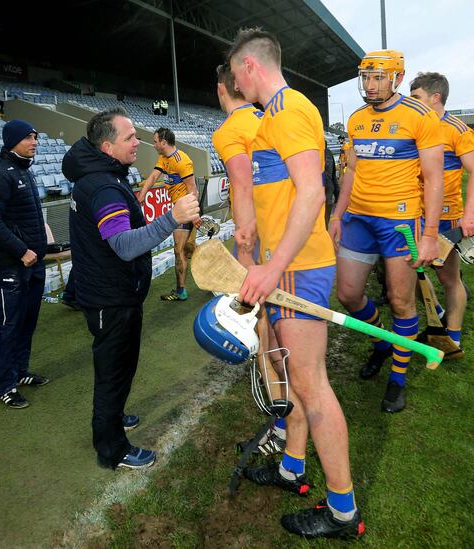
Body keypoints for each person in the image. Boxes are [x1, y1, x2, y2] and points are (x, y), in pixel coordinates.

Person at [228, 27, 365, 539]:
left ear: (249, 68)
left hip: (298, 268)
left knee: (311, 387)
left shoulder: (287, 112)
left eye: (235, 72)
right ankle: (292, 469)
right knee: (295, 378)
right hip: (290, 264)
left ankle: (342, 511)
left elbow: (311, 193)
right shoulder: (276, 115)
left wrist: (270, 266)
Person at [63, 107, 200, 469]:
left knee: (116, 371)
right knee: (114, 373)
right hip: (111, 297)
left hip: (107, 292)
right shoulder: (104, 186)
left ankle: (113, 416)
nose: (137, 142)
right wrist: (173, 219)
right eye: (129, 137)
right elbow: (124, 245)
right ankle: (112, 449)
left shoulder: (101, 174)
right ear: (107, 147)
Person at [329, 50, 443, 413]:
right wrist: (337, 214)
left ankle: (397, 378)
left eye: (378, 77)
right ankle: (381, 340)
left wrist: (429, 235)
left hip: (400, 222)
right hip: (358, 219)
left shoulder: (420, 116)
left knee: (401, 301)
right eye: (366, 77)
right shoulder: (357, 119)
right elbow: (351, 171)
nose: (370, 85)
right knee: (347, 294)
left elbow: (435, 178)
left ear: (397, 77)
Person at [212, 62, 287, 455]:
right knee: (283, 331)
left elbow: (242, 182)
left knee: (266, 335)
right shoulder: (270, 116)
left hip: (264, 243)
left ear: (222, 88)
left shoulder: (229, 130)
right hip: (292, 237)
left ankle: (284, 425)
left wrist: (243, 248)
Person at [410, 71, 474, 351]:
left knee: (448, 277)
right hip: (413, 215)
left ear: (435, 97)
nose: (412, 102)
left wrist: (470, 213)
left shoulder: (457, 130)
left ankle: (452, 336)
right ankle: (438, 313)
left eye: (417, 97)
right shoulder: (414, 125)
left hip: (446, 217)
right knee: (411, 272)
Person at [0, 119, 49, 409]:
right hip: (12, 266)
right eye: (29, 137)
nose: (34, 142)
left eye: (35, 137)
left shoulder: (24, 171)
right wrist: (22, 251)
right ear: (12, 141)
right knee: (9, 325)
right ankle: (3, 384)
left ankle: (20, 372)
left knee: (27, 322)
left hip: (33, 263)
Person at [136, 128, 198, 301]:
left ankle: (181, 291)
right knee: (188, 249)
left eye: (156, 141)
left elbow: (193, 189)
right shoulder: (164, 158)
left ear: (163, 142)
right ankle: (212, 271)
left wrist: (194, 213)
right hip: (179, 210)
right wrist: (141, 197)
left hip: (185, 210)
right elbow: (153, 178)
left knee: (179, 251)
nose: (154, 144)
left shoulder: (182, 161)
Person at [323, 140, 338, 228]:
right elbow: (333, 176)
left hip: (319, 192)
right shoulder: (329, 153)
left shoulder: (311, 153)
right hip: (329, 190)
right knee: (325, 224)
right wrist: (337, 194)